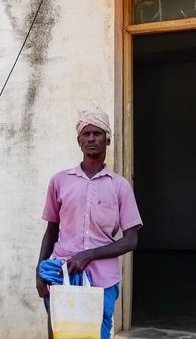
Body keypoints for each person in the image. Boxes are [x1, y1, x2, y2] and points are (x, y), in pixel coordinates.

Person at [36, 108, 143, 339]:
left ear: (107, 139)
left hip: (102, 280)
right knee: (61, 333)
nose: (92, 138)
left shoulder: (120, 186)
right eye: (86, 134)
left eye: (97, 133)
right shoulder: (59, 181)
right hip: (61, 274)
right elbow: (51, 231)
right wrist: (38, 272)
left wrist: (90, 254)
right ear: (79, 141)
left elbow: (131, 240)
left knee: (96, 335)